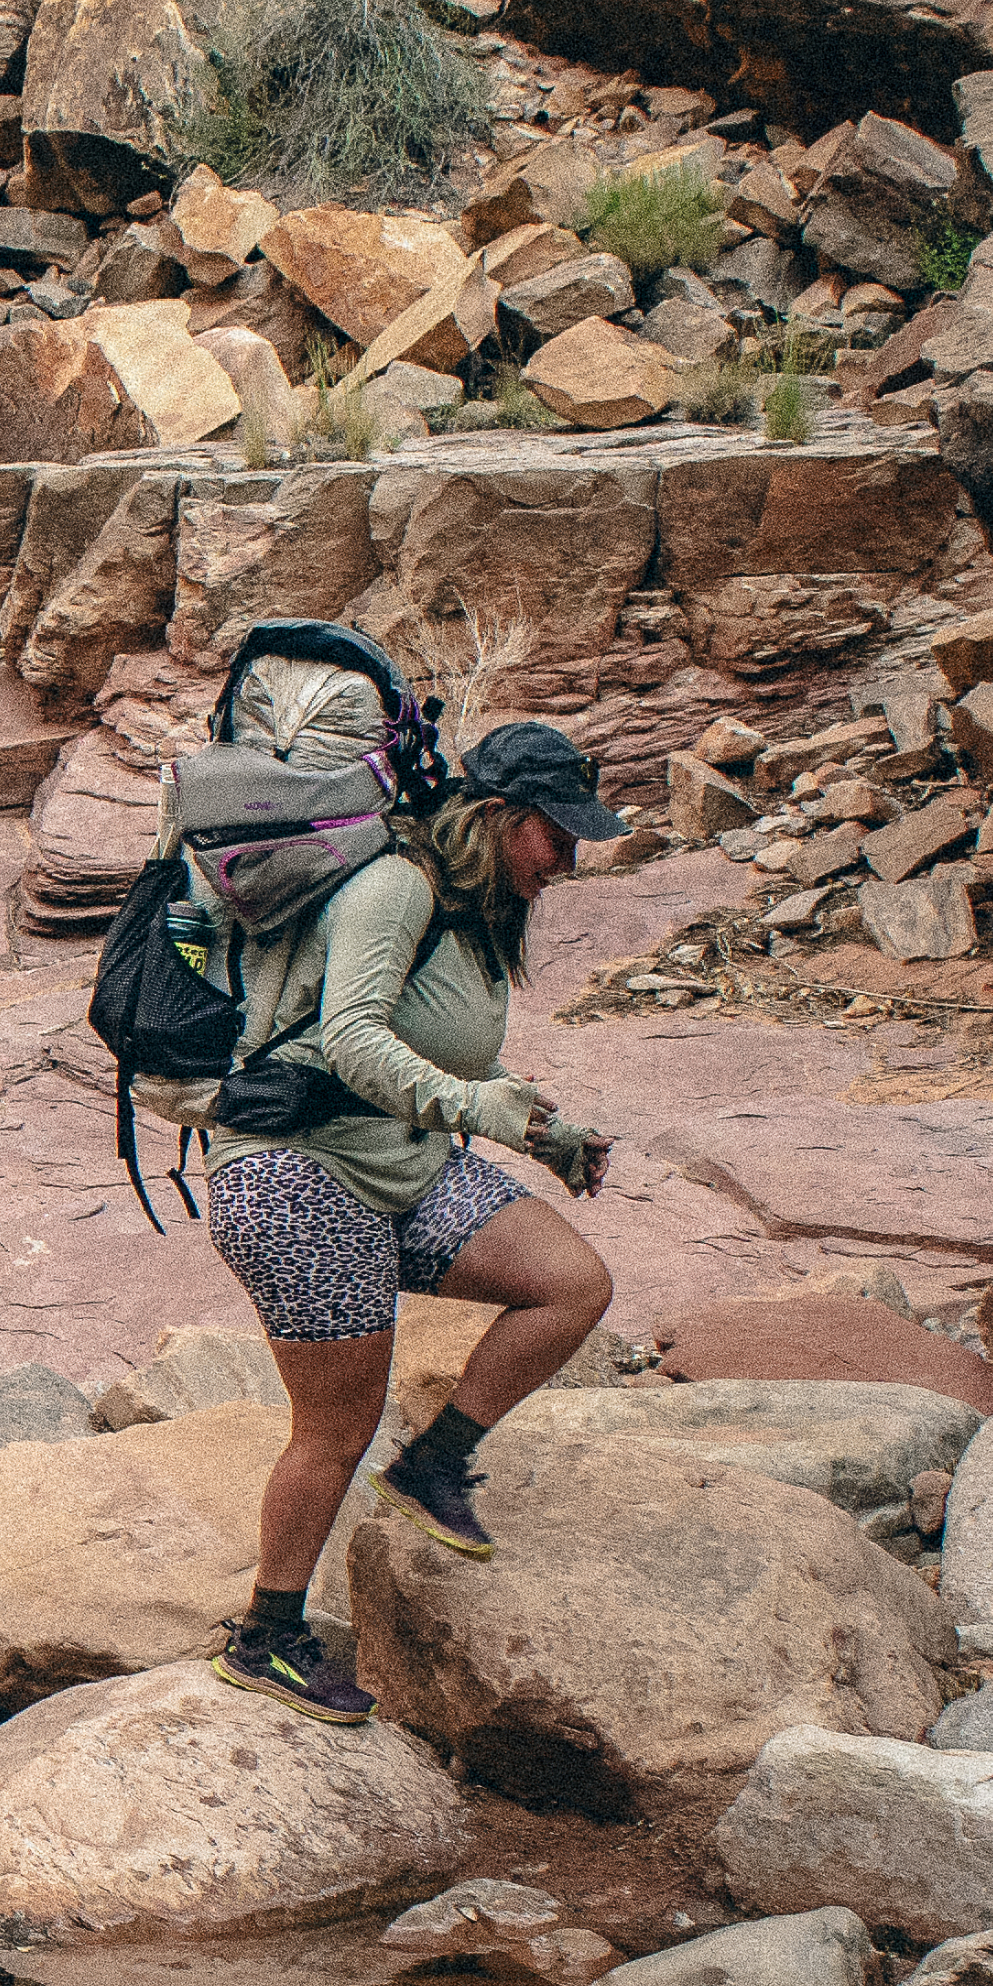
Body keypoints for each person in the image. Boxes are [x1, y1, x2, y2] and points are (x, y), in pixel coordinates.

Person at [200, 719, 623, 1724]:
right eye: (552, 835)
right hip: (295, 1173)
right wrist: (485, 1113)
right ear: (496, 816)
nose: (565, 858)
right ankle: (265, 1636)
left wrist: (543, 1133)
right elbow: (348, 1037)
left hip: (401, 1166)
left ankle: (432, 1465)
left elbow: (449, 1069)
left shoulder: (477, 916)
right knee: (336, 1423)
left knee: (571, 1285)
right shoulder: (395, 885)